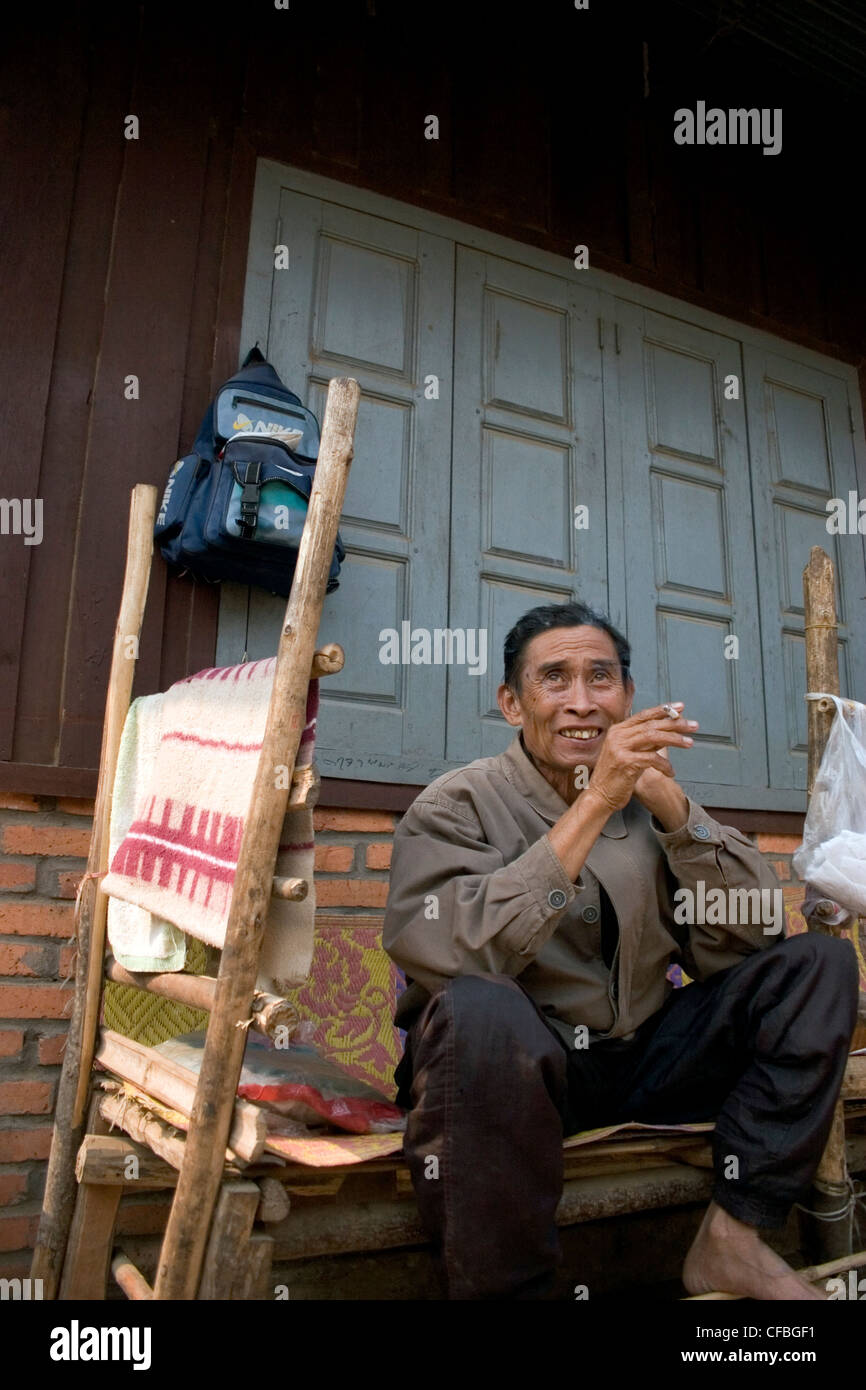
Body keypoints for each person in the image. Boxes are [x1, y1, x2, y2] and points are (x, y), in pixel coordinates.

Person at [382, 601, 859, 1300]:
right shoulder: (458, 804)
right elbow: (454, 954)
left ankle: (732, 1238)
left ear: (628, 698)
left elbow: (753, 936)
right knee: (478, 1007)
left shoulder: (648, 801)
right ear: (512, 704)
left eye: (600, 680)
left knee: (820, 965)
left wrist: (672, 807)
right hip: (511, 1081)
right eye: (554, 680)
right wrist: (593, 803)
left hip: (641, 1063)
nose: (582, 704)